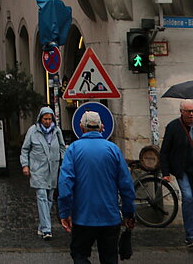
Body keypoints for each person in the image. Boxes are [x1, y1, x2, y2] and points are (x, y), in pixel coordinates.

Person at [58, 109, 135, 264]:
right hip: (109, 216)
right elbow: (126, 185)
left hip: (83, 217)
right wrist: (129, 213)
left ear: (81, 128)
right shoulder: (113, 149)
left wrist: (65, 212)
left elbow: (65, 184)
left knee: (79, 255)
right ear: (102, 127)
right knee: (109, 258)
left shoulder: (73, 149)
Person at [20, 105, 66, 240]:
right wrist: (25, 165)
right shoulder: (33, 131)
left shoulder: (57, 131)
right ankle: (47, 229)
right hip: (38, 169)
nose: (47, 121)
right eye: (45, 119)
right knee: (41, 197)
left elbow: (62, 148)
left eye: (49, 119)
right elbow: (25, 149)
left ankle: (42, 226)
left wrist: (64, 163)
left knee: (50, 198)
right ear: (40, 119)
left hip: (53, 170)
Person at [160, 99, 193, 248]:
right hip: (182, 169)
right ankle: (190, 235)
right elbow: (165, 151)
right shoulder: (173, 127)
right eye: (188, 111)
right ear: (181, 112)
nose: (191, 114)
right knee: (188, 197)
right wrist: (166, 172)